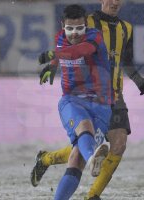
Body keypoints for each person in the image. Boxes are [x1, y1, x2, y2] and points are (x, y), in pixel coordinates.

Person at [31, 0, 144, 199]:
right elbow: (69, 46)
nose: (115, 2)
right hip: (84, 95)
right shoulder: (86, 22)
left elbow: (125, 60)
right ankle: (47, 159)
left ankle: (93, 194)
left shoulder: (126, 28)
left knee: (118, 144)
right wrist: (53, 64)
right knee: (80, 151)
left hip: (113, 95)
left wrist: (139, 80)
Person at [37, 4, 114, 200]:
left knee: (75, 159)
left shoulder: (94, 37)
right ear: (62, 25)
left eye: (79, 28)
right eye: (70, 29)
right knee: (84, 126)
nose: (74, 33)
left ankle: (88, 159)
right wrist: (53, 66)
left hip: (102, 104)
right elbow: (63, 51)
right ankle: (93, 159)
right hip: (71, 100)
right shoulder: (60, 38)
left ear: (86, 25)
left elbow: (79, 51)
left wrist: (54, 56)